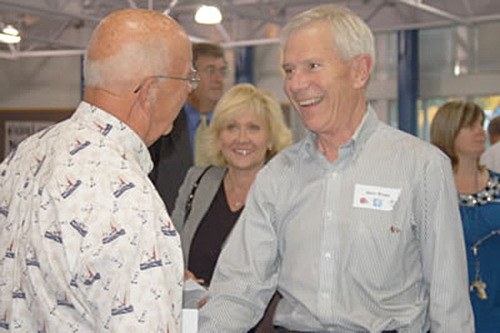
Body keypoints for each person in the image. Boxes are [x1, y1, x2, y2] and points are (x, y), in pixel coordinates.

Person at [199, 4, 474, 333]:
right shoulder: (277, 176)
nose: (296, 84)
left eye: (312, 66)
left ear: (360, 71)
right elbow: (238, 289)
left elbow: (449, 302)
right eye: (289, 70)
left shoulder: (422, 168)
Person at [0, 9, 197, 332]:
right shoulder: (129, 197)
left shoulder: (24, 156)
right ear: (149, 92)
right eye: (188, 79)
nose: (190, 92)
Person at [172, 83, 291, 331]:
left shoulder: (284, 194)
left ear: (270, 138)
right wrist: (178, 274)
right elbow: (168, 248)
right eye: (231, 127)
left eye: (254, 128)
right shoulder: (197, 180)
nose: (242, 138)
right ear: (218, 136)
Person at [431, 100, 500, 333]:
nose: (480, 131)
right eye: (470, 126)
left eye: (481, 124)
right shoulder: (432, 189)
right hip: (446, 310)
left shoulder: (498, 185)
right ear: (449, 132)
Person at [149, 42, 228, 212]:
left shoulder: (232, 126)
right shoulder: (161, 125)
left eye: (222, 71)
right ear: (190, 76)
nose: (218, 79)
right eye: (210, 70)